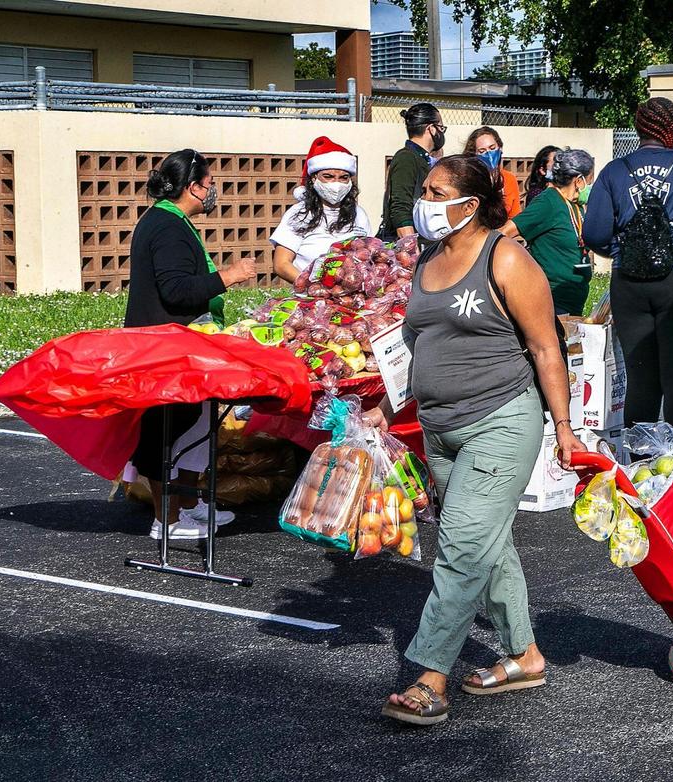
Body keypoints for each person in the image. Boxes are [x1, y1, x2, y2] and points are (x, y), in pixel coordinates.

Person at [367, 155, 585, 726]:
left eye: (438, 191)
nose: (426, 201)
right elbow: (412, 343)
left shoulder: (507, 258)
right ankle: (524, 655)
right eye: (425, 190)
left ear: (470, 203)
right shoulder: (427, 258)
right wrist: (384, 408)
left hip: (502, 421)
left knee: (462, 546)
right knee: (488, 547)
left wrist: (563, 427)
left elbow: (545, 348)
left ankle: (429, 676)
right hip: (439, 428)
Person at [125, 149, 257, 540]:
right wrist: (227, 277)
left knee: (197, 423)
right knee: (170, 430)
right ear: (192, 187)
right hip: (166, 348)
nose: (212, 191)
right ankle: (165, 521)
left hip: (184, 345)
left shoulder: (169, 220)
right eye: (209, 184)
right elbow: (176, 290)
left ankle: (189, 504)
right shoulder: (166, 226)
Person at [582, 97, 673, 455]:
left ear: (641, 129)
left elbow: (594, 233)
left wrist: (625, 250)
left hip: (629, 282)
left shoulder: (615, 171)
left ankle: (640, 468)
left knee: (641, 380)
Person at [501, 148, 594, 315]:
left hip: (572, 301)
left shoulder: (575, 205)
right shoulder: (548, 202)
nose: (590, 186)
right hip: (550, 302)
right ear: (579, 181)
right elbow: (504, 233)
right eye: (589, 180)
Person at [270, 136, 370, 283]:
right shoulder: (299, 214)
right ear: (314, 178)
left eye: (343, 177)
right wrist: (311, 286)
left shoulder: (359, 214)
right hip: (310, 295)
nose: (336, 183)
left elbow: (368, 254)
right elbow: (281, 264)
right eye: (328, 177)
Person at [380, 102, 445, 240]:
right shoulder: (407, 158)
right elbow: (400, 206)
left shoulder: (423, 160)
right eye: (441, 127)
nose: (441, 133)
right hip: (411, 245)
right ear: (431, 129)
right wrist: (410, 250)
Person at [463, 126, 522, 219]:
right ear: (474, 155)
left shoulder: (509, 178)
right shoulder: (469, 180)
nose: (489, 154)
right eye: (482, 151)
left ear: (500, 148)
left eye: (492, 148)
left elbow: (515, 216)